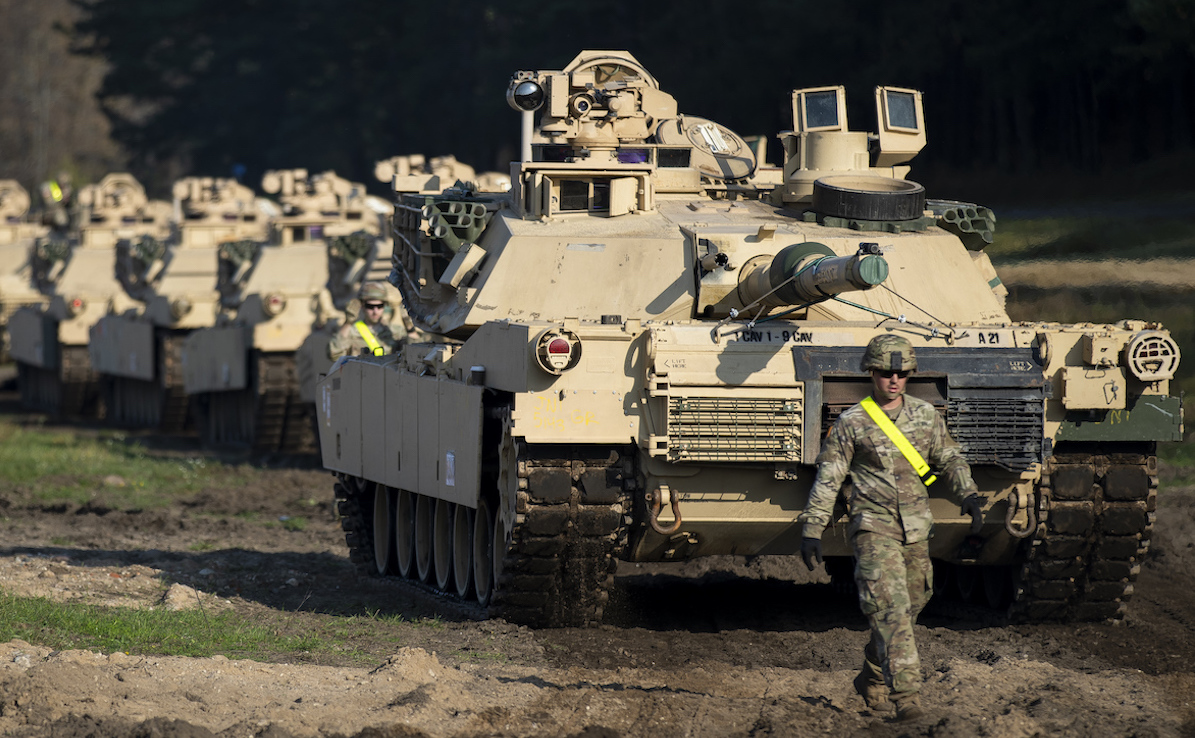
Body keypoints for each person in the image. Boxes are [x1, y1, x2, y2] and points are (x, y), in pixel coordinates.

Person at [797, 334, 984, 721]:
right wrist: (813, 526)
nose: (894, 380)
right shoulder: (852, 422)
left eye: (901, 373)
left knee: (912, 604)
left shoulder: (925, 417)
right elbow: (830, 478)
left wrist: (967, 494)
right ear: (871, 373)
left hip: (916, 529)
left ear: (910, 374)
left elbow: (949, 458)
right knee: (891, 609)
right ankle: (908, 699)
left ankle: (872, 676)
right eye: (885, 373)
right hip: (872, 527)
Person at [328, 281, 397, 360]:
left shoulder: (396, 332)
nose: (375, 311)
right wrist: (348, 323)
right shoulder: (351, 331)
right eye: (370, 306)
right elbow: (334, 354)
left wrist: (410, 329)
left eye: (379, 306)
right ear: (362, 306)